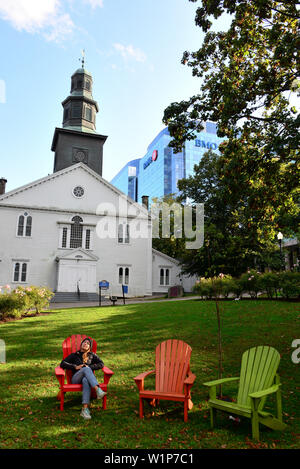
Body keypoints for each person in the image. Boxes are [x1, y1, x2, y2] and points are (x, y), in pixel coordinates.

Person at [60, 337, 106, 420]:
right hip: (75, 379)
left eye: (88, 343)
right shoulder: (74, 355)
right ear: (81, 345)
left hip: (87, 379)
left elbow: (101, 364)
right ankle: (97, 389)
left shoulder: (92, 355)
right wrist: (75, 367)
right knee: (85, 369)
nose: (86, 344)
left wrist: (90, 367)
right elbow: (62, 363)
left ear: (89, 347)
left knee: (86, 379)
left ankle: (85, 410)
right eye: (84, 342)